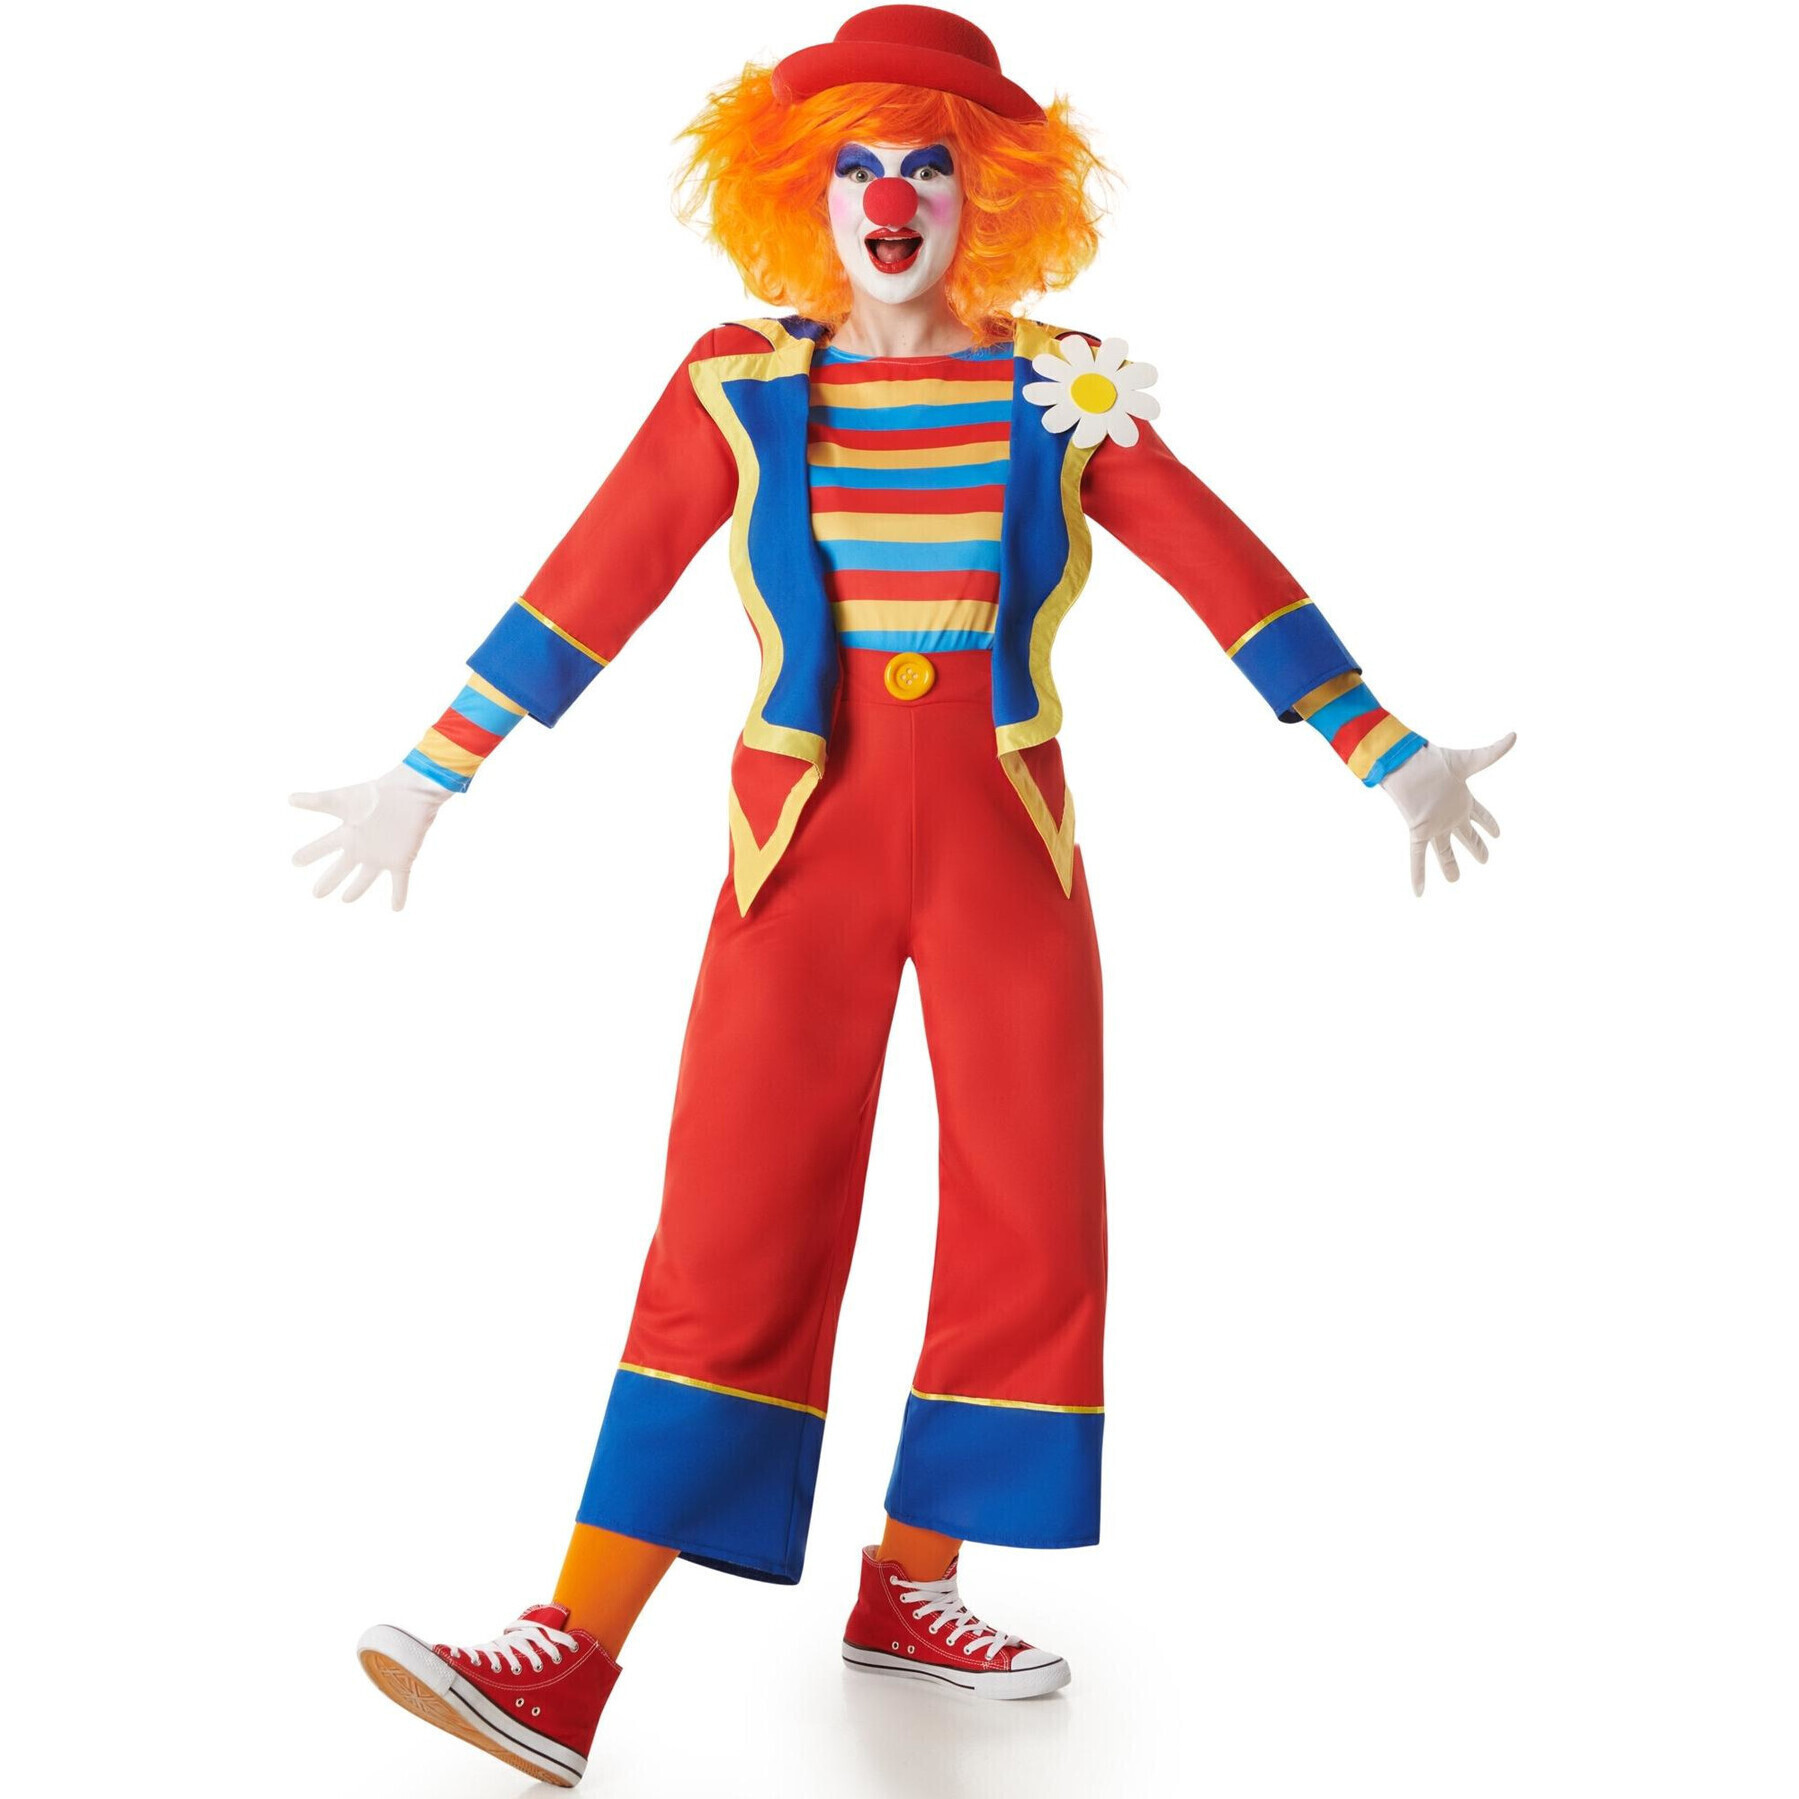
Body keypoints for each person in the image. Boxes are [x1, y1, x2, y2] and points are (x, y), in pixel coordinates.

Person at [293, 7, 1514, 1786]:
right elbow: (598, 575)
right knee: (733, 1213)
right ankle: (571, 1649)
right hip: (802, 840)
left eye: (928, 165)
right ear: (801, 194)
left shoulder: (1061, 387)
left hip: (1006, 837)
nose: (891, 199)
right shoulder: (740, 383)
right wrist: (434, 768)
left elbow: (1224, 568)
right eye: (857, 166)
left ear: (986, 195)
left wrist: (1379, 743)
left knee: (1032, 1208)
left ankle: (911, 1582)